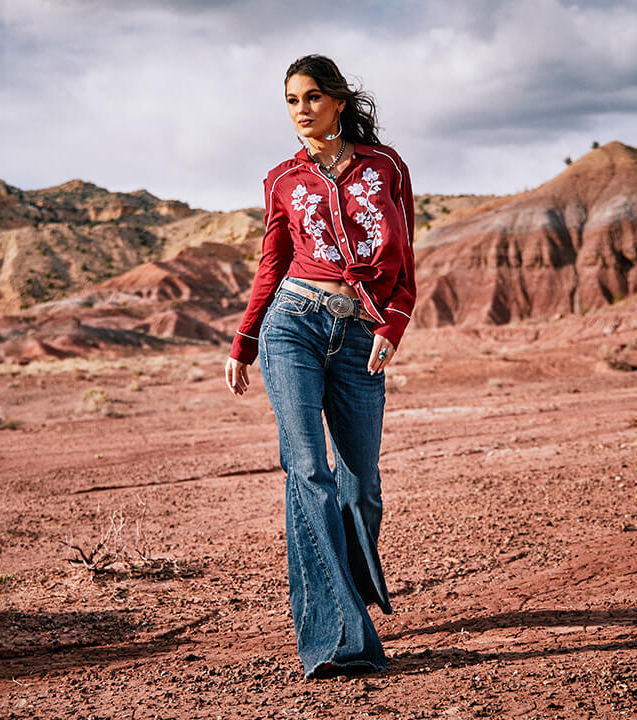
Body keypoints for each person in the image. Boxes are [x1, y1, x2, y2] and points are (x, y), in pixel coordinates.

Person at [222, 54, 416, 680]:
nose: (300, 110)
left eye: (310, 97)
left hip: (360, 334)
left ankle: (347, 590)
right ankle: (338, 638)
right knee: (308, 472)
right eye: (289, 100)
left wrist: (394, 324)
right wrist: (244, 340)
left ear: (336, 100)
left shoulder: (384, 167)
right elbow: (272, 265)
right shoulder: (283, 179)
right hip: (294, 326)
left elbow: (405, 258)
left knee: (362, 488)